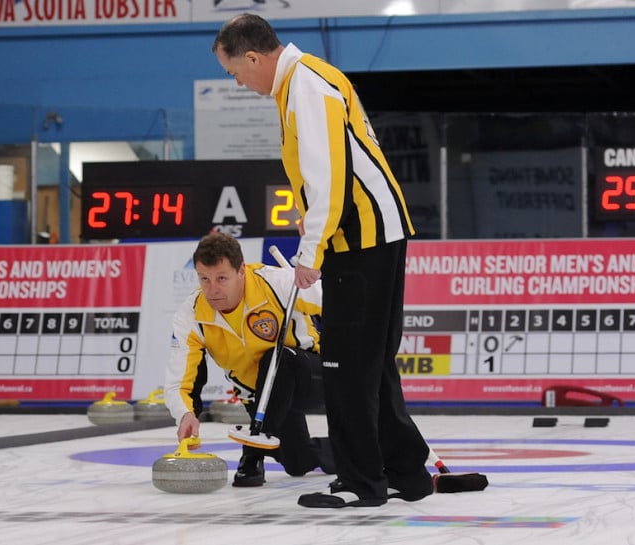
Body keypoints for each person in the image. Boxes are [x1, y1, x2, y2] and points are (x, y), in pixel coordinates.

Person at [212, 14, 433, 508]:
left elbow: (331, 178)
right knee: (371, 365)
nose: (240, 83)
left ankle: (363, 483)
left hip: (359, 240)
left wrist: (310, 252)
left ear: (252, 57)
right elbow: (330, 176)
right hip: (374, 234)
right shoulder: (310, 76)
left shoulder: (305, 88)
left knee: (345, 366)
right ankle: (405, 474)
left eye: (234, 72)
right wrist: (314, 224)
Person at [164, 232, 334, 487]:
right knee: (297, 463)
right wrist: (186, 414)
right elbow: (179, 382)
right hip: (260, 396)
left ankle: (253, 449)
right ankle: (332, 449)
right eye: (204, 279)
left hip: (311, 376)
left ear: (241, 271)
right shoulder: (191, 315)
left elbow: (339, 305)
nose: (213, 290)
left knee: (277, 358)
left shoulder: (277, 282)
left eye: (222, 278)